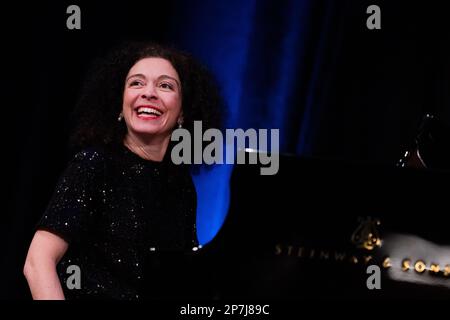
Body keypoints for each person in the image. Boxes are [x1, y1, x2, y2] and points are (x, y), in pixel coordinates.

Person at [23, 41, 224, 300]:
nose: (149, 93)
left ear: (183, 112)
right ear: (120, 105)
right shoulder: (94, 164)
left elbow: (177, 281)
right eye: (136, 83)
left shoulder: (180, 186)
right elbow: (38, 262)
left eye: (165, 85)